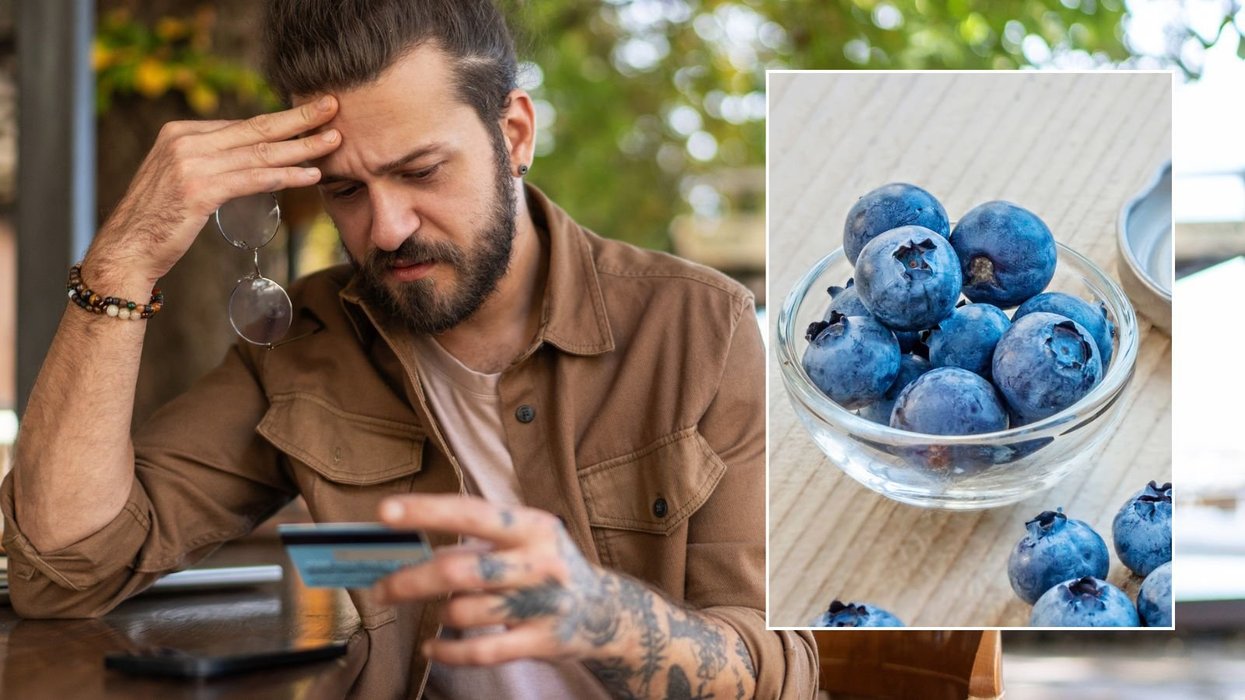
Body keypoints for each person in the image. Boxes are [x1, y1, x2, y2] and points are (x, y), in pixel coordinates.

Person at [1, 1, 816, 697]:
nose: (385, 229)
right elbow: (63, 571)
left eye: (421, 170)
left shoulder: (698, 328)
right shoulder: (306, 343)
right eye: (346, 190)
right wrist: (125, 260)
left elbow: (782, 670)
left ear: (514, 133)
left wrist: (594, 610)